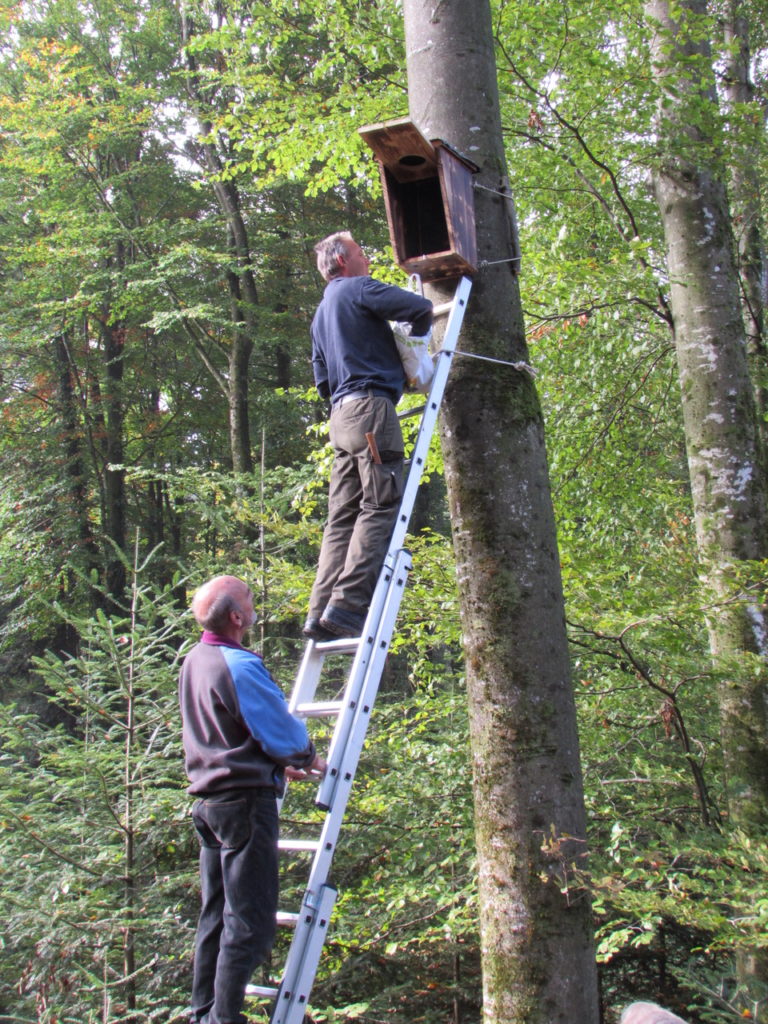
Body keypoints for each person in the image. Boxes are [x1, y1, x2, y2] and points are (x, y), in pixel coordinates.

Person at [179, 575, 326, 1024]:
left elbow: (227, 728)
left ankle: (203, 1014)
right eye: (249, 598)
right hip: (243, 805)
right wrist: (306, 756)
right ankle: (225, 1019)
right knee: (249, 922)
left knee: (217, 917)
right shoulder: (237, 665)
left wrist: (274, 763)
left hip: (210, 804)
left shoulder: (194, 661)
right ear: (238, 618)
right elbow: (275, 728)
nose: (254, 602)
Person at [303, 231, 433, 641]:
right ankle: (346, 606)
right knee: (380, 505)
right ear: (342, 261)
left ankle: (318, 611)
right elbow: (421, 307)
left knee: (341, 518)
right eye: (361, 253)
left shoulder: (321, 313)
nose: (367, 260)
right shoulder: (359, 289)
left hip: (339, 419)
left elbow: (323, 382)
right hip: (371, 410)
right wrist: (413, 353)